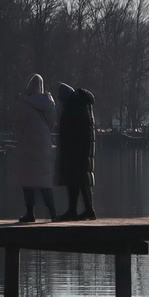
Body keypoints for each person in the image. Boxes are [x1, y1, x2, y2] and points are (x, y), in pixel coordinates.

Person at [9, 75, 59, 223]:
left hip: (29, 146)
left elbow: (13, 118)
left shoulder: (25, 104)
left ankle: (30, 213)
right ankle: (53, 213)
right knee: (44, 180)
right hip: (44, 146)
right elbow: (51, 124)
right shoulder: (49, 105)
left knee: (28, 180)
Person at [56, 84, 97, 221]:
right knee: (82, 180)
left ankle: (73, 210)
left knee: (74, 180)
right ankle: (89, 210)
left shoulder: (73, 110)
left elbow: (69, 133)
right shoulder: (83, 106)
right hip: (84, 150)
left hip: (75, 151)